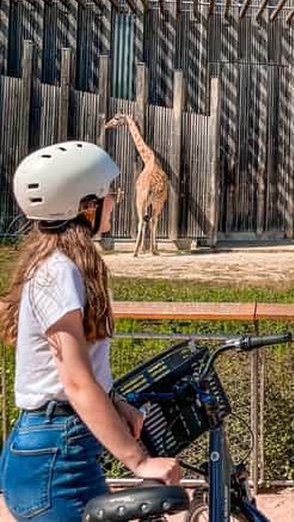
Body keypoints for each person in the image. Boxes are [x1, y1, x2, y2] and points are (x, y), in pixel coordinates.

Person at [0, 141, 181, 521]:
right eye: (108, 193)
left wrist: (116, 403)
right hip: (55, 455)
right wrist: (139, 462)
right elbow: (76, 381)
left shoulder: (60, 265)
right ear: (85, 206)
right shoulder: (58, 271)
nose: (115, 200)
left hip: (61, 446)